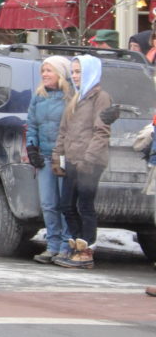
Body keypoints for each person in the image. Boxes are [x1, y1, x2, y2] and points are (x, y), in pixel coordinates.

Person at [51, 55, 113, 269]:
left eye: (79, 72)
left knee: (85, 205)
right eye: (74, 72)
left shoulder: (100, 97)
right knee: (66, 205)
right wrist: (57, 158)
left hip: (90, 162)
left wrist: (89, 159)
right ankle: (77, 244)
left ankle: (87, 249)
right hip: (71, 159)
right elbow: (64, 131)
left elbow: (101, 131)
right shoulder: (75, 97)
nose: (75, 76)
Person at [25, 55, 74, 264]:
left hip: (63, 155)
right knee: (48, 203)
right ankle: (52, 244)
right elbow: (32, 122)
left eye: (49, 70)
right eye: (43, 71)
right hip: (44, 155)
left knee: (65, 202)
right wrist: (31, 146)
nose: (44, 74)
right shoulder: (39, 95)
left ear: (61, 73)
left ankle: (65, 245)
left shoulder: (71, 95)